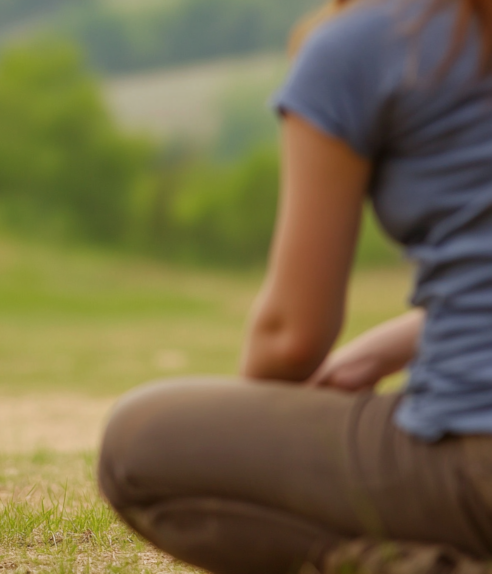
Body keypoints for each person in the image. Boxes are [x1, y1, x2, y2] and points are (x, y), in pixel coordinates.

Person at [97, 1, 492, 573]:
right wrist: (390, 344)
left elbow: (289, 337)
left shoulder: (367, 43)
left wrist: (259, 412)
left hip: (476, 460)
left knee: (138, 443)